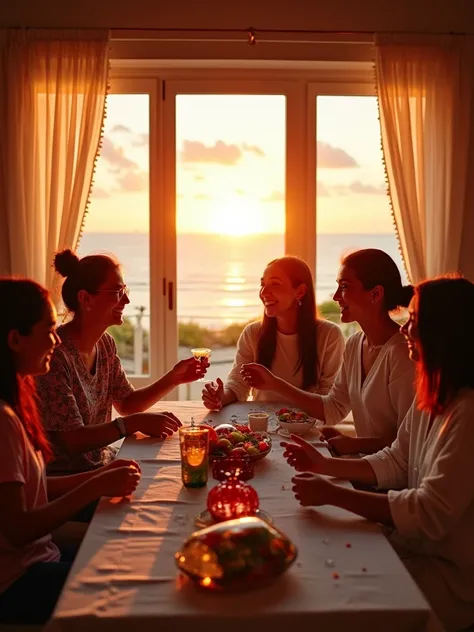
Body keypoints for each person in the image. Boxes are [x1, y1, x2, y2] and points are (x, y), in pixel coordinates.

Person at [282, 275, 474, 632]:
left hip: (452, 574)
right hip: (418, 546)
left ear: (445, 332)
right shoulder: (431, 394)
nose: (404, 331)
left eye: (414, 322)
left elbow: (430, 510)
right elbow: (398, 459)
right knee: (321, 561)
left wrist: (335, 494)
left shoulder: (468, 412)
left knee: (335, 595)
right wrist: (325, 464)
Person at [0, 278, 142, 625]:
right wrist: (94, 487)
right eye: (48, 330)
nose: (55, 340)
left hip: (38, 555)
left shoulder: (15, 404)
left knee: (133, 553)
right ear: (15, 339)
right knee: (135, 590)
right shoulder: (3, 422)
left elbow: (33, 490)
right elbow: (18, 528)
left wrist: (98, 476)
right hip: (16, 581)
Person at [36, 249, 207, 476]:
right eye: (117, 291)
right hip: (70, 480)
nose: (126, 299)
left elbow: (127, 403)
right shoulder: (55, 356)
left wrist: (174, 378)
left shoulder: (105, 344)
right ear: (86, 298)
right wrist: (132, 424)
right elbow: (72, 440)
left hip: (100, 465)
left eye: (124, 290)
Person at [241, 249, 415, 455]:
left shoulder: (403, 353)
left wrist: (354, 445)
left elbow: (411, 441)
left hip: (395, 481)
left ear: (375, 294)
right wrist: (273, 384)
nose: (335, 297)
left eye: (344, 287)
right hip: (369, 465)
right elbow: (332, 408)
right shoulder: (354, 344)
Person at [202, 255, 344, 410]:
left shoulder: (329, 335)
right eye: (262, 284)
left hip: (306, 428)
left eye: (275, 284)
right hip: (260, 426)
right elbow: (238, 384)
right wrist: (220, 397)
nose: (264, 292)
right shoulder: (253, 333)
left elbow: (328, 400)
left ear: (300, 291)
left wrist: (276, 386)